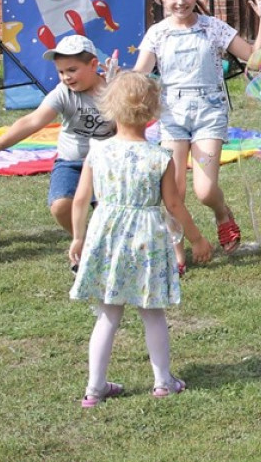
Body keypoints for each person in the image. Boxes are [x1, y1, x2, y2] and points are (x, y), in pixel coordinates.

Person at [68, 71, 213, 407]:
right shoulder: (159, 157)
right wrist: (196, 239)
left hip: (107, 236)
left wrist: (78, 237)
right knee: (152, 312)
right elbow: (173, 204)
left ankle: (94, 388)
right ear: (153, 112)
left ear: (109, 108)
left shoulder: (98, 152)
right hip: (147, 239)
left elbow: (80, 199)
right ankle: (163, 382)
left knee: (108, 314)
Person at [132, 0, 261, 254]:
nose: (181, 2)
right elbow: (140, 74)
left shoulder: (212, 27)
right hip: (172, 115)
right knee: (174, 191)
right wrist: (117, 78)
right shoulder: (157, 34)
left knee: (205, 191)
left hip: (209, 113)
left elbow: (253, 59)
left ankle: (222, 213)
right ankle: (177, 252)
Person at [0, 35, 115, 234]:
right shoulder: (63, 92)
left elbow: (134, 119)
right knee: (60, 206)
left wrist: (121, 90)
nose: (66, 77)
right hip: (71, 163)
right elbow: (32, 120)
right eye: (61, 72)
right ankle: (83, 239)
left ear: (93, 65)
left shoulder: (114, 90)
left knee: (109, 212)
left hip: (108, 163)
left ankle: (102, 242)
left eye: (72, 70)